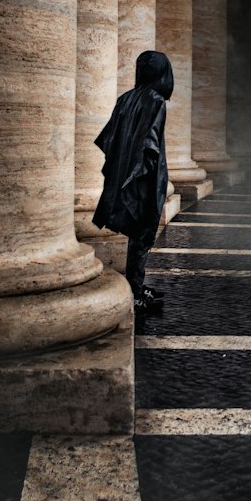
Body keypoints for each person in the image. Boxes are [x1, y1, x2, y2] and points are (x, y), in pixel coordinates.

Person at [92, 50, 173, 313]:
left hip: (125, 172)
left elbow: (108, 139)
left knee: (138, 231)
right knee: (143, 231)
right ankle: (136, 291)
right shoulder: (156, 101)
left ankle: (137, 285)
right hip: (144, 176)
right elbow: (151, 144)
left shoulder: (125, 99)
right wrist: (146, 175)